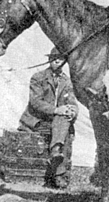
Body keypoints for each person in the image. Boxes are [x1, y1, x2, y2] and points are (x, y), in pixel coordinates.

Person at [18, 47, 78, 188]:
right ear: (49, 60)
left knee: (66, 119)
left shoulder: (67, 81)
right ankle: (59, 175)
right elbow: (36, 102)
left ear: (65, 61)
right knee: (63, 125)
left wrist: (72, 111)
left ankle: (56, 150)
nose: (57, 60)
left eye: (61, 58)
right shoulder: (38, 77)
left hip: (57, 122)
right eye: (54, 57)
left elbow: (73, 103)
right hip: (37, 120)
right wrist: (57, 110)